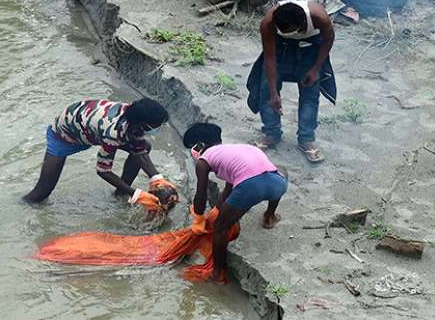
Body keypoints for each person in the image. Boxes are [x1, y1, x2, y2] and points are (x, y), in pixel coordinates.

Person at [23, 98, 169, 212]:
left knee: (145, 146)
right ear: (142, 124)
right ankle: (21, 208)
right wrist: (137, 194)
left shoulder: (134, 117)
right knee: (41, 193)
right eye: (156, 126)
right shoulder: (114, 132)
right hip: (64, 135)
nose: (158, 130)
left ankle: (120, 194)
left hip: (91, 130)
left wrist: (158, 180)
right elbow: (103, 171)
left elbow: (140, 151)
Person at [184, 122, 287, 282]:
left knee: (220, 228)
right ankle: (269, 216)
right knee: (277, 172)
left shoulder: (203, 161)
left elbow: (201, 195)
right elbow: (230, 187)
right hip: (278, 184)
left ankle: (217, 272)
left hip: (251, 187)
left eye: (193, 148)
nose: (193, 153)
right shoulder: (237, 150)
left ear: (200, 145)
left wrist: (198, 217)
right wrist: (218, 209)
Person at [246, 0, 337, 163]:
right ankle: (271, 133)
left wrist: (316, 69)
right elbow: (270, 58)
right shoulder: (268, 23)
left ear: (302, 23)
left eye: (291, 31)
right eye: (283, 30)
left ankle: (306, 139)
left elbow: (328, 40)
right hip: (281, 48)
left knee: (310, 94)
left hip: (311, 49)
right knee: (266, 90)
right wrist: (274, 93)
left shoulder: (319, 17)